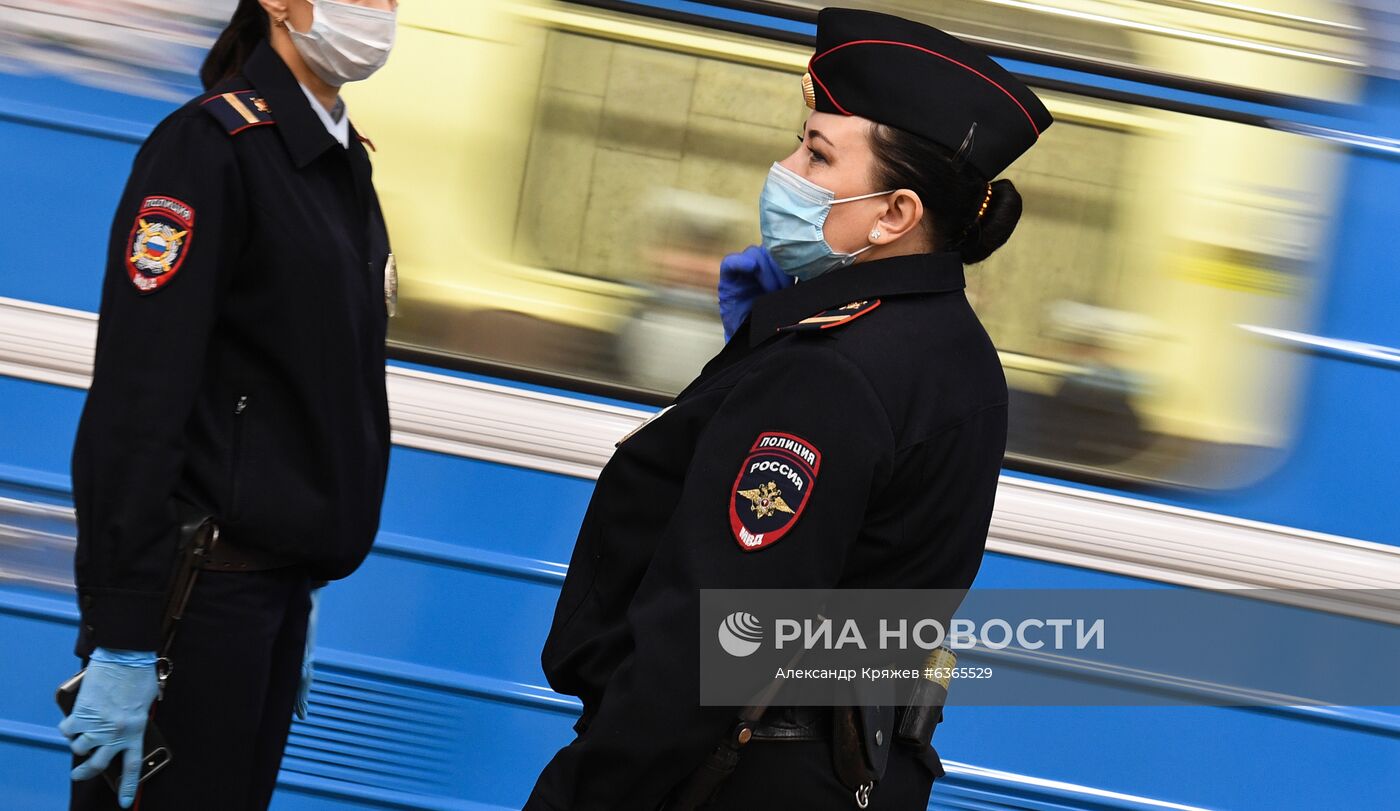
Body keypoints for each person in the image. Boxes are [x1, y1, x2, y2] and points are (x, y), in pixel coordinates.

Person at [525, 7, 1052, 810]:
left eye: (817, 152)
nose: (786, 167)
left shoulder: (830, 372)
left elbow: (711, 645)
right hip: (854, 773)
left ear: (894, 214)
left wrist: (588, 791)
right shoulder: (955, 348)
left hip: (738, 778)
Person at [58, 1, 398, 808]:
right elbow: (139, 399)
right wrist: (128, 629)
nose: (379, 12)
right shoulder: (211, 148)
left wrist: (299, 573)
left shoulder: (339, 165)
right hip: (193, 605)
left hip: (266, 602)